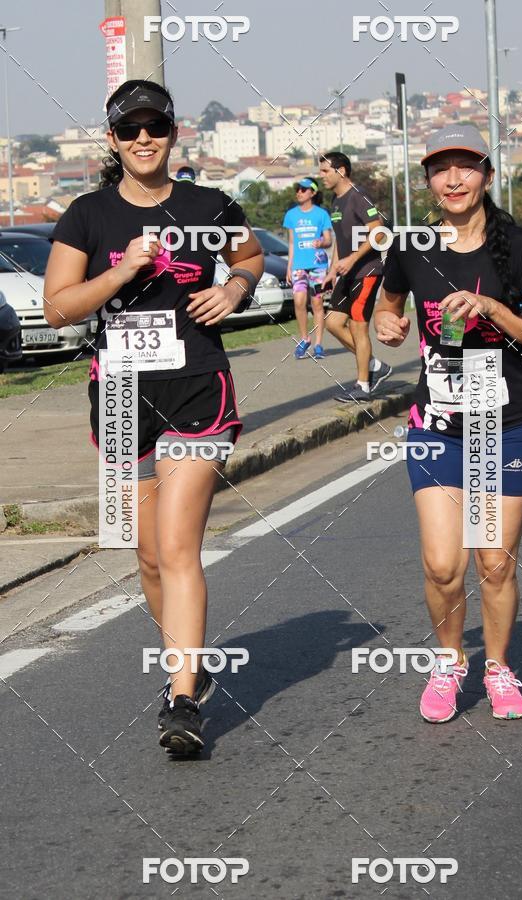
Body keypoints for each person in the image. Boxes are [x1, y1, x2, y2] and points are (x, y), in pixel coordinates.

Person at [43, 79, 264, 754]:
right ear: (112, 140)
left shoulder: (208, 205)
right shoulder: (87, 215)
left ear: (173, 133)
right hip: (118, 395)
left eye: (156, 127)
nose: (145, 139)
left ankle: (184, 696)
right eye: (131, 130)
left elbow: (250, 254)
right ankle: (183, 665)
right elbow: (57, 307)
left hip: (196, 386)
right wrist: (120, 273)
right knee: (146, 556)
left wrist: (235, 285)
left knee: (176, 547)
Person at [375, 124, 522, 723]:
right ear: (428, 181)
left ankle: (498, 667)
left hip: (509, 425)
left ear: (487, 175)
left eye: (466, 167)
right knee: (442, 564)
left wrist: (492, 307)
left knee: (494, 562)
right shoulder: (411, 245)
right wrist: (387, 325)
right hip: (438, 425)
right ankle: (450, 663)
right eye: (440, 169)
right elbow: (387, 306)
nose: (453, 179)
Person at [319, 151, 392, 401]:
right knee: (332, 322)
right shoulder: (335, 200)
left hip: (367, 271)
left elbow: (379, 232)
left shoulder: (358, 196)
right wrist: (332, 269)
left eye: (325, 171)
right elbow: (340, 240)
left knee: (358, 327)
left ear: (341, 171)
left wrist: (352, 259)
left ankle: (363, 386)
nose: (321, 176)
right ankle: (375, 366)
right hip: (348, 273)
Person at [282, 178, 332, 359]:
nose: (299, 192)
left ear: (313, 192)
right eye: (298, 189)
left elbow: (329, 240)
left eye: (303, 189)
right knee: (298, 302)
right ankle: (305, 338)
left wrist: (322, 242)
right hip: (298, 266)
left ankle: (318, 344)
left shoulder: (322, 214)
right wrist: (289, 267)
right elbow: (291, 243)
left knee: (317, 303)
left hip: (318, 265)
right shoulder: (291, 215)